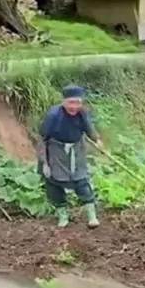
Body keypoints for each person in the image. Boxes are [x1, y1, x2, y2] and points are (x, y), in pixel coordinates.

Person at [37, 84, 102, 228]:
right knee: (53, 182)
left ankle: (91, 216)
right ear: (64, 102)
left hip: (76, 149)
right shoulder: (53, 116)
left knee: (81, 180)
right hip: (56, 151)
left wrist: (97, 140)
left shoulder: (82, 113)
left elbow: (88, 128)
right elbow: (42, 139)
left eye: (78, 102)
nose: (74, 106)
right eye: (71, 102)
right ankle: (63, 216)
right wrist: (45, 162)